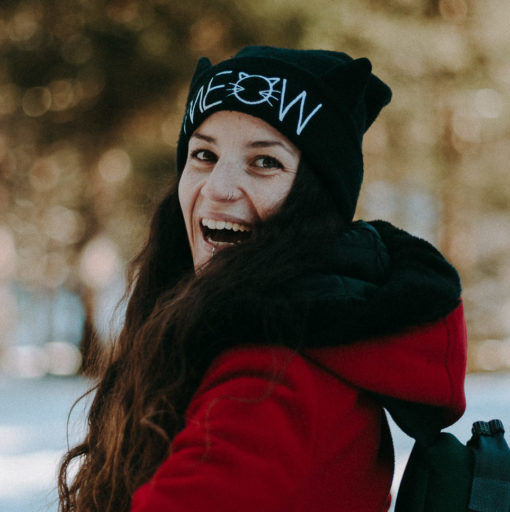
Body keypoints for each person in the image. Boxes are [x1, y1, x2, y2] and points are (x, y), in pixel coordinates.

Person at [58, 46, 467, 512]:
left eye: (265, 162)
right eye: (204, 154)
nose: (219, 188)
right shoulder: (259, 336)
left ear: (315, 199)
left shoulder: (274, 380)